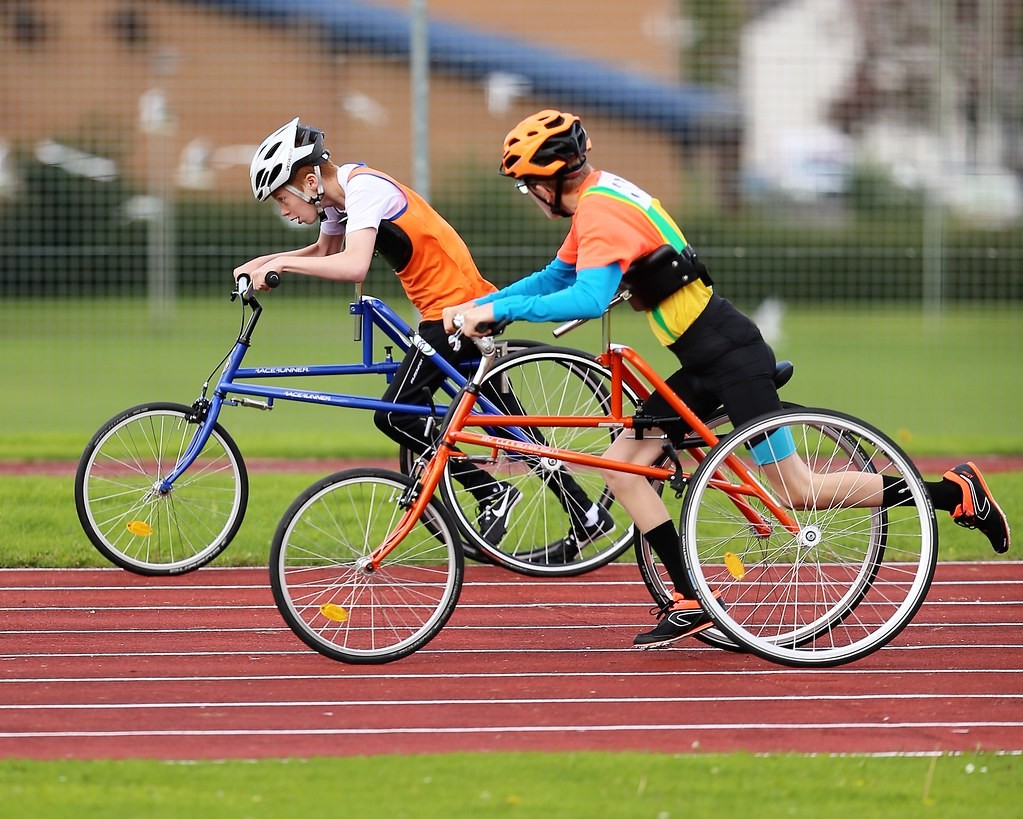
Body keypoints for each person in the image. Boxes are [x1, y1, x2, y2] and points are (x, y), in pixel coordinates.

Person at [443, 108, 1011, 648]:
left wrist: (492, 314)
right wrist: (484, 304)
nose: (530, 197)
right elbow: (552, 279)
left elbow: (587, 298)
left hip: (731, 355)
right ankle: (691, 597)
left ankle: (950, 493)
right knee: (625, 468)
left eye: (526, 186)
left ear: (548, 180)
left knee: (797, 491)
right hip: (706, 360)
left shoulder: (600, 211)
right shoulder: (601, 197)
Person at [236, 117, 611, 553]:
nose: (283, 209)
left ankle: (492, 492)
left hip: (454, 313)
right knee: (512, 426)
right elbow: (325, 251)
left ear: (310, 179)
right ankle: (587, 512)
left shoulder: (364, 191)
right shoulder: (341, 199)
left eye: (282, 197)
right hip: (448, 310)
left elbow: (353, 265)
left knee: (394, 415)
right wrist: (264, 260)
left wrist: (281, 265)